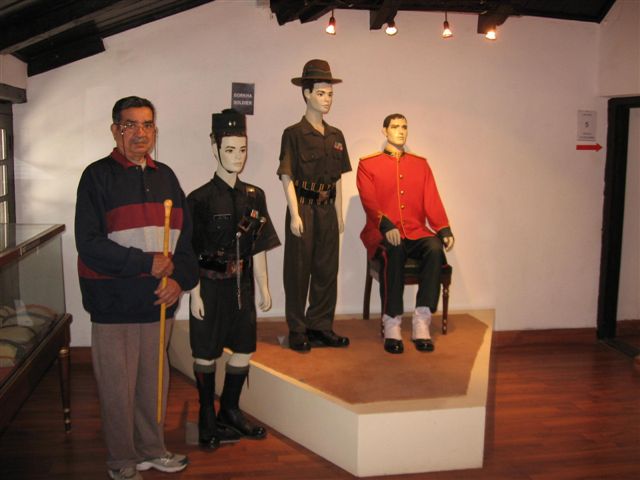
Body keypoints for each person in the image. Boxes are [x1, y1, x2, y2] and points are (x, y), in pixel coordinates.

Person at [75, 96, 198, 480]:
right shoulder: (97, 176)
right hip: (114, 304)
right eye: (130, 125)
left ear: (154, 130)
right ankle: (121, 460)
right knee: (117, 389)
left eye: (147, 125)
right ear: (116, 130)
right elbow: (89, 244)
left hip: (158, 302)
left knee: (153, 385)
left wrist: (180, 281)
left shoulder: (167, 177)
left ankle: (151, 450)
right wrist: (146, 263)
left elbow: (186, 241)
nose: (139, 133)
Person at [188, 109, 280, 449]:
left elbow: (259, 246)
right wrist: (194, 293)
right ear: (214, 148)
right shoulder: (198, 199)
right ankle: (206, 415)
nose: (237, 157)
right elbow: (190, 251)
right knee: (206, 352)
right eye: (229, 149)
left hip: (242, 286)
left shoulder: (255, 196)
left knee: (243, 350)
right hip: (209, 286)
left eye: (242, 149)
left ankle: (229, 409)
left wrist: (265, 286)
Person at [356, 113, 454, 354]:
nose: (401, 131)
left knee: (434, 247)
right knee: (395, 248)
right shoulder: (368, 164)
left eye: (404, 127)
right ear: (384, 131)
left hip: (415, 231)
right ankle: (392, 322)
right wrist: (386, 225)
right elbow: (369, 201)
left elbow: (431, 198)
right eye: (395, 126)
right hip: (383, 234)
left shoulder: (420, 164)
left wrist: (443, 228)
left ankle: (422, 320)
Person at [277, 59, 351, 352]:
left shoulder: (336, 136)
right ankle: (297, 329)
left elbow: (339, 178)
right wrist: (294, 214)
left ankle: (320, 325)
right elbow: (286, 175)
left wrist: (339, 213)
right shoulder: (293, 134)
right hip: (304, 208)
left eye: (330, 94)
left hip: (327, 209)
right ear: (306, 93)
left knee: (326, 270)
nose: (327, 99)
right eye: (321, 93)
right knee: (298, 271)